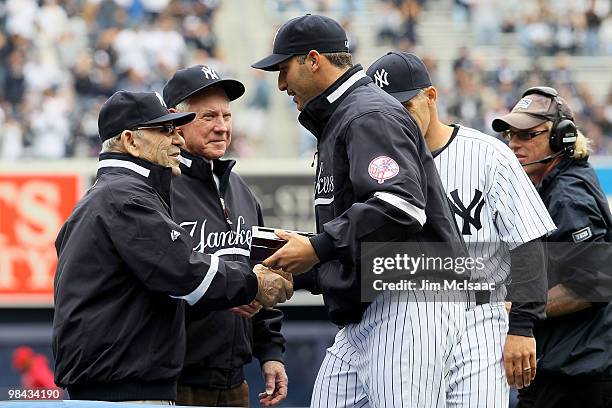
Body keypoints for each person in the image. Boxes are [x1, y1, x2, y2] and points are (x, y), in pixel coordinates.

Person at [252, 14, 467, 408]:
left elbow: (401, 205)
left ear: (313, 60)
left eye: (284, 69)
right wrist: (294, 271)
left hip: (408, 300)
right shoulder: (342, 117)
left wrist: (316, 246)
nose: (280, 84)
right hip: (369, 309)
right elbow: (357, 243)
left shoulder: (367, 112)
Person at [52, 90, 293, 403]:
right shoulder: (127, 198)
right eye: (164, 130)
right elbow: (185, 271)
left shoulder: (115, 193)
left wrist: (267, 342)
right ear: (130, 140)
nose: (176, 139)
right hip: (124, 390)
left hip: (123, 383)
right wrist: (254, 283)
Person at [366, 51, 555, 407]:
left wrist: (522, 327)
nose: (397, 119)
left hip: (478, 316)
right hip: (406, 319)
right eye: (386, 110)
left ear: (431, 97)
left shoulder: (487, 154)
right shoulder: (377, 164)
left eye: (405, 106)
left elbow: (529, 245)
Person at [162, 65, 287, 407]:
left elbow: (263, 273)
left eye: (227, 115)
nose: (222, 126)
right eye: (208, 116)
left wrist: (270, 352)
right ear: (175, 119)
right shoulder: (158, 192)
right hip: (176, 381)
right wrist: (227, 291)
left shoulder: (241, 191)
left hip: (235, 382)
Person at [493, 86, 612, 408]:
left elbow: (593, 284)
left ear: (561, 138)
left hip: (577, 375)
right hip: (564, 366)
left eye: (527, 135)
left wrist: (518, 310)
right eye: (510, 136)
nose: (515, 145)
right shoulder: (550, 185)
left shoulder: (567, 193)